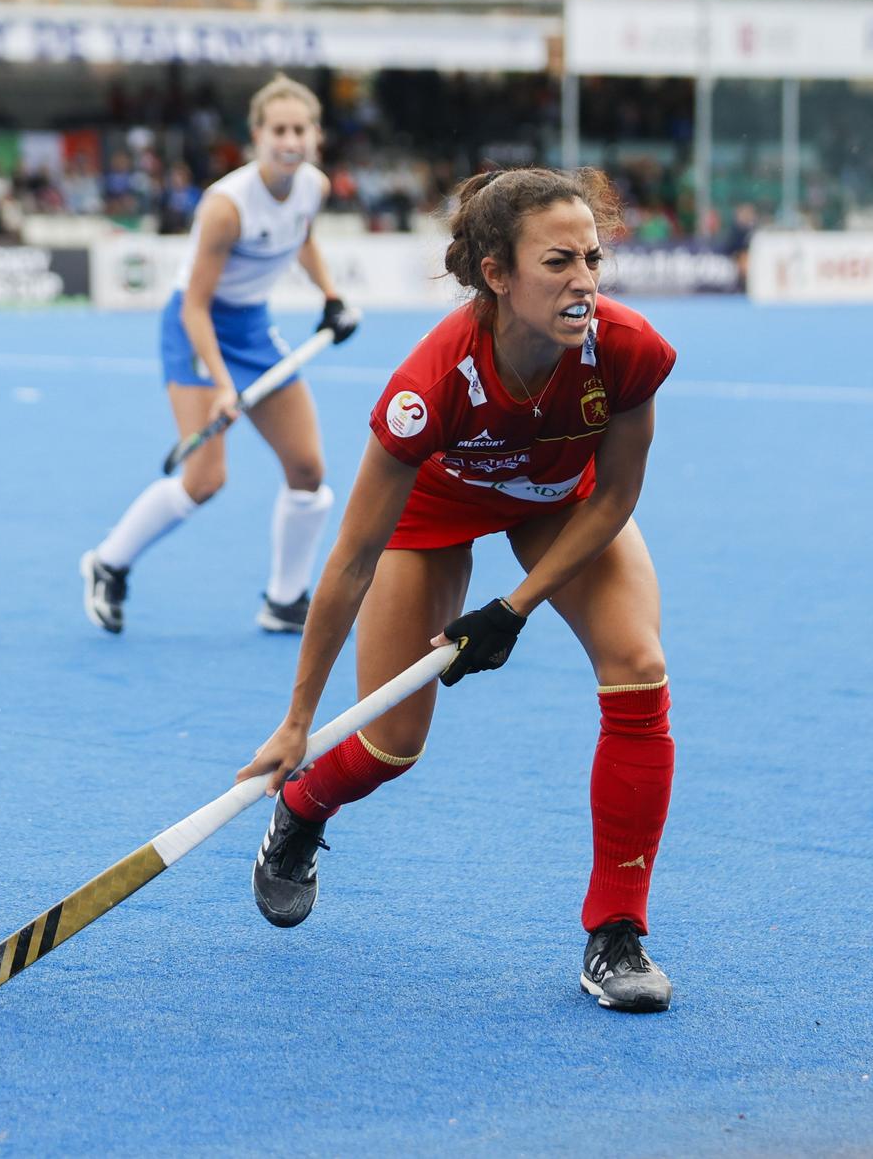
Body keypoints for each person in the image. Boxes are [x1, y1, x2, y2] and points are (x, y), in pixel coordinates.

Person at [234, 167, 680, 1013]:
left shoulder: (628, 349)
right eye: (558, 262)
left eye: (591, 257)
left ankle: (617, 930)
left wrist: (515, 608)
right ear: (496, 274)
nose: (584, 280)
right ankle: (303, 807)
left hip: (565, 503)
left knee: (638, 663)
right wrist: (298, 718)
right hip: (438, 507)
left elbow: (617, 495)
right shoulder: (429, 386)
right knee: (392, 743)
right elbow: (353, 556)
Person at [80, 76, 358, 636]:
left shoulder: (313, 188)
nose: (289, 140)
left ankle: (284, 601)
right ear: (257, 135)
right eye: (278, 129)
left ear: (315, 135)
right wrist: (224, 384)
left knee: (308, 469)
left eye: (299, 129)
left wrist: (330, 295)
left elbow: (302, 238)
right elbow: (196, 307)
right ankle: (108, 563)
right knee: (205, 478)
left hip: (253, 327)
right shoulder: (226, 207)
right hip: (197, 329)